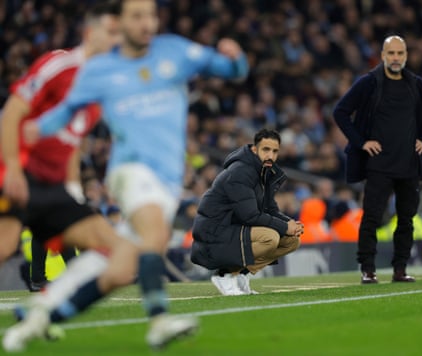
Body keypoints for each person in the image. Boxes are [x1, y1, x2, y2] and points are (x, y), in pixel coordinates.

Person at [11, 0, 249, 350]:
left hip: (168, 179)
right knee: (155, 232)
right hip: (130, 170)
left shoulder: (176, 51)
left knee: (118, 271)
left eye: (150, 15)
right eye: (136, 16)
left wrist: (236, 56)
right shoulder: (100, 70)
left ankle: (42, 315)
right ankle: (158, 319)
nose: (146, 23)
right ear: (119, 23)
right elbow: (66, 110)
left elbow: (233, 71)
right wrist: (37, 129)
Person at [1, 3, 141, 352]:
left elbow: (72, 146)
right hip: (20, 175)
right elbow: (12, 112)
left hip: (54, 187)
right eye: (111, 33)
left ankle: (42, 312)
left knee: (118, 257)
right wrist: (13, 170)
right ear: (90, 34)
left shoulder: (99, 89)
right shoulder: (59, 65)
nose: (116, 41)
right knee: (4, 246)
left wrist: (74, 189)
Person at [333, 35, 422, 284]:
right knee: (371, 217)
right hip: (379, 164)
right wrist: (361, 142)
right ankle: (368, 269)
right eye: (391, 53)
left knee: (406, 220)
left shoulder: (415, 83)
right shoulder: (369, 83)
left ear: (406, 56)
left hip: (409, 164)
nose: (395, 58)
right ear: (382, 56)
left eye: (400, 53)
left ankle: (400, 269)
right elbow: (340, 111)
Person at [191, 129, 304, 295]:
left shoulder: (263, 173)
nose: (270, 156)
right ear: (254, 149)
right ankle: (225, 275)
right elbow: (249, 215)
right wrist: (283, 226)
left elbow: (270, 209)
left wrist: (289, 224)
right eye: (266, 150)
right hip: (214, 234)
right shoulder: (240, 172)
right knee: (270, 238)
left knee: (291, 240)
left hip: (233, 230)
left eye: (275, 151)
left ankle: (242, 274)